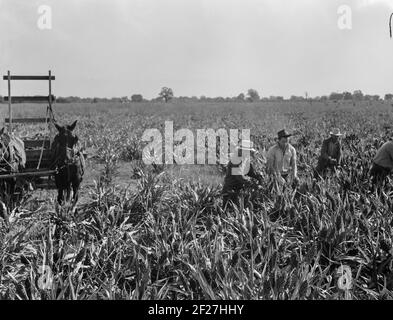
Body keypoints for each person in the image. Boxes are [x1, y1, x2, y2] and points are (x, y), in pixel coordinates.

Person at [222, 140, 263, 208]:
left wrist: (258, 177)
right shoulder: (235, 160)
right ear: (242, 150)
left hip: (238, 188)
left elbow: (251, 172)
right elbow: (239, 176)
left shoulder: (246, 158)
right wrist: (252, 183)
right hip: (230, 189)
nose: (250, 153)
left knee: (238, 208)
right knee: (229, 209)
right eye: (248, 151)